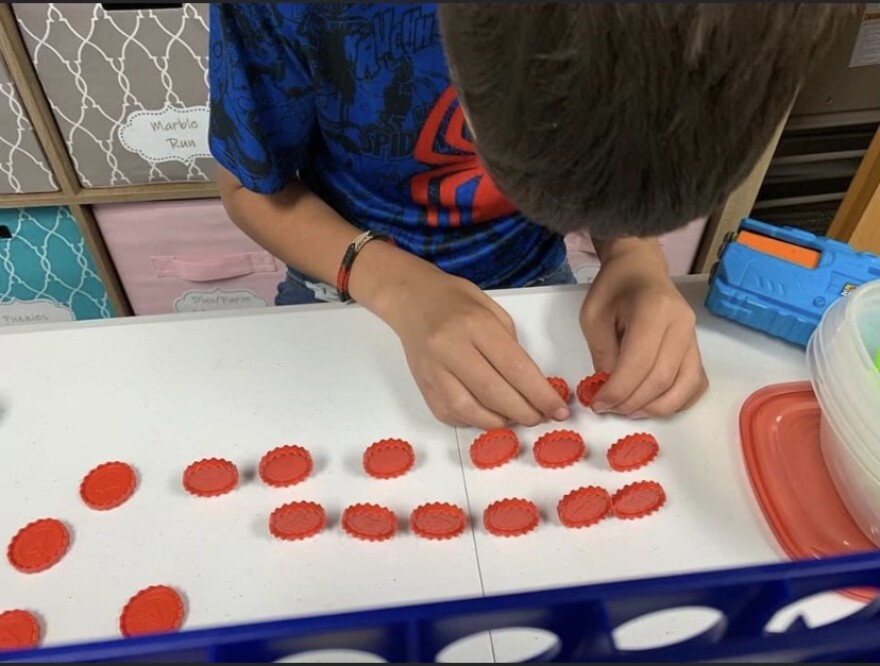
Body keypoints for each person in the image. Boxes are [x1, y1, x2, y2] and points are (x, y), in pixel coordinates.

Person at [208, 3, 857, 430]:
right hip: (342, 277)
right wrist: (394, 285)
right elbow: (248, 187)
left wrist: (634, 253)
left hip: (533, 275)